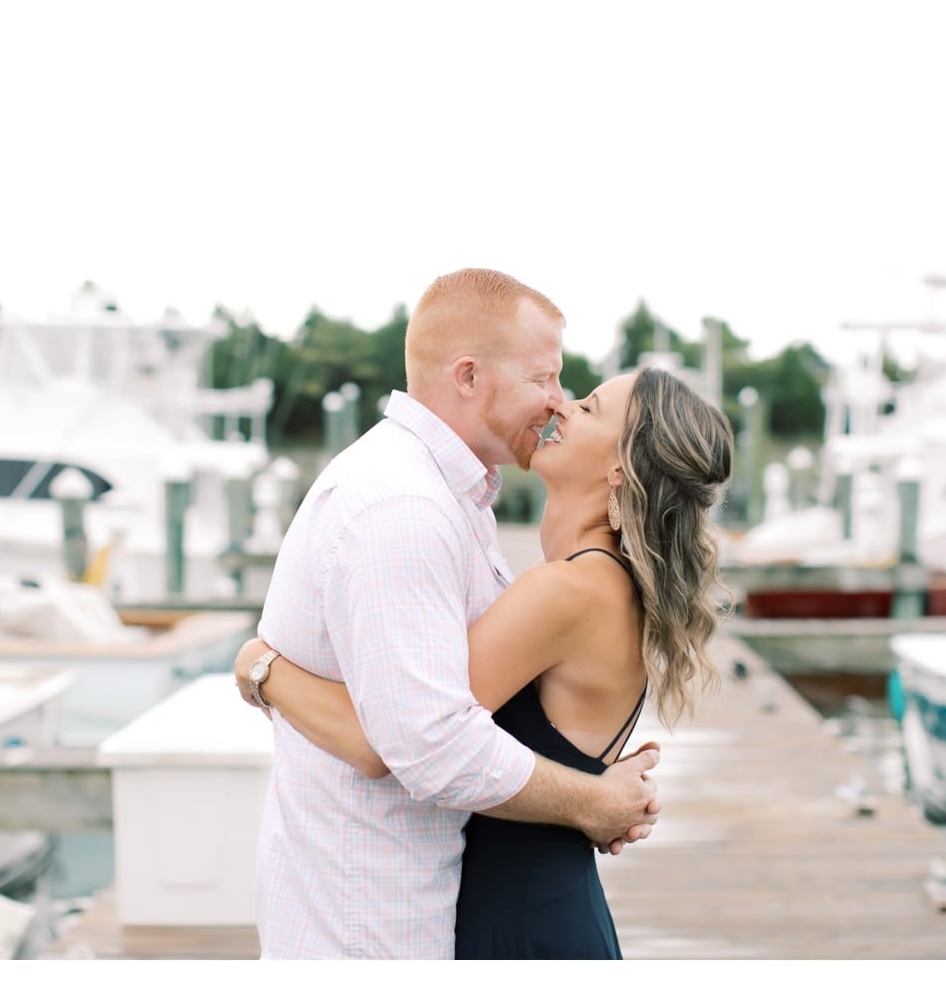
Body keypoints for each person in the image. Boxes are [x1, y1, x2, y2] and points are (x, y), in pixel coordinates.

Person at [234, 268, 666, 960]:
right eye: (545, 379)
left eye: (573, 394)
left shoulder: (452, 503)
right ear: (468, 377)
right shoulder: (402, 508)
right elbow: (427, 741)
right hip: (368, 921)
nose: (557, 404)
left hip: (429, 910)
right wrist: (591, 800)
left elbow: (407, 733)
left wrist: (260, 668)